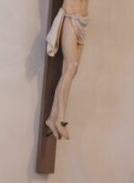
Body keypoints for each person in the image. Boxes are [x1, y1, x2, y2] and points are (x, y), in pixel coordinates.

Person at [44, 0, 88, 140]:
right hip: (70, 17)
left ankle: (52, 117)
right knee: (71, 66)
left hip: (83, 20)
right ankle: (60, 117)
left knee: (71, 71)